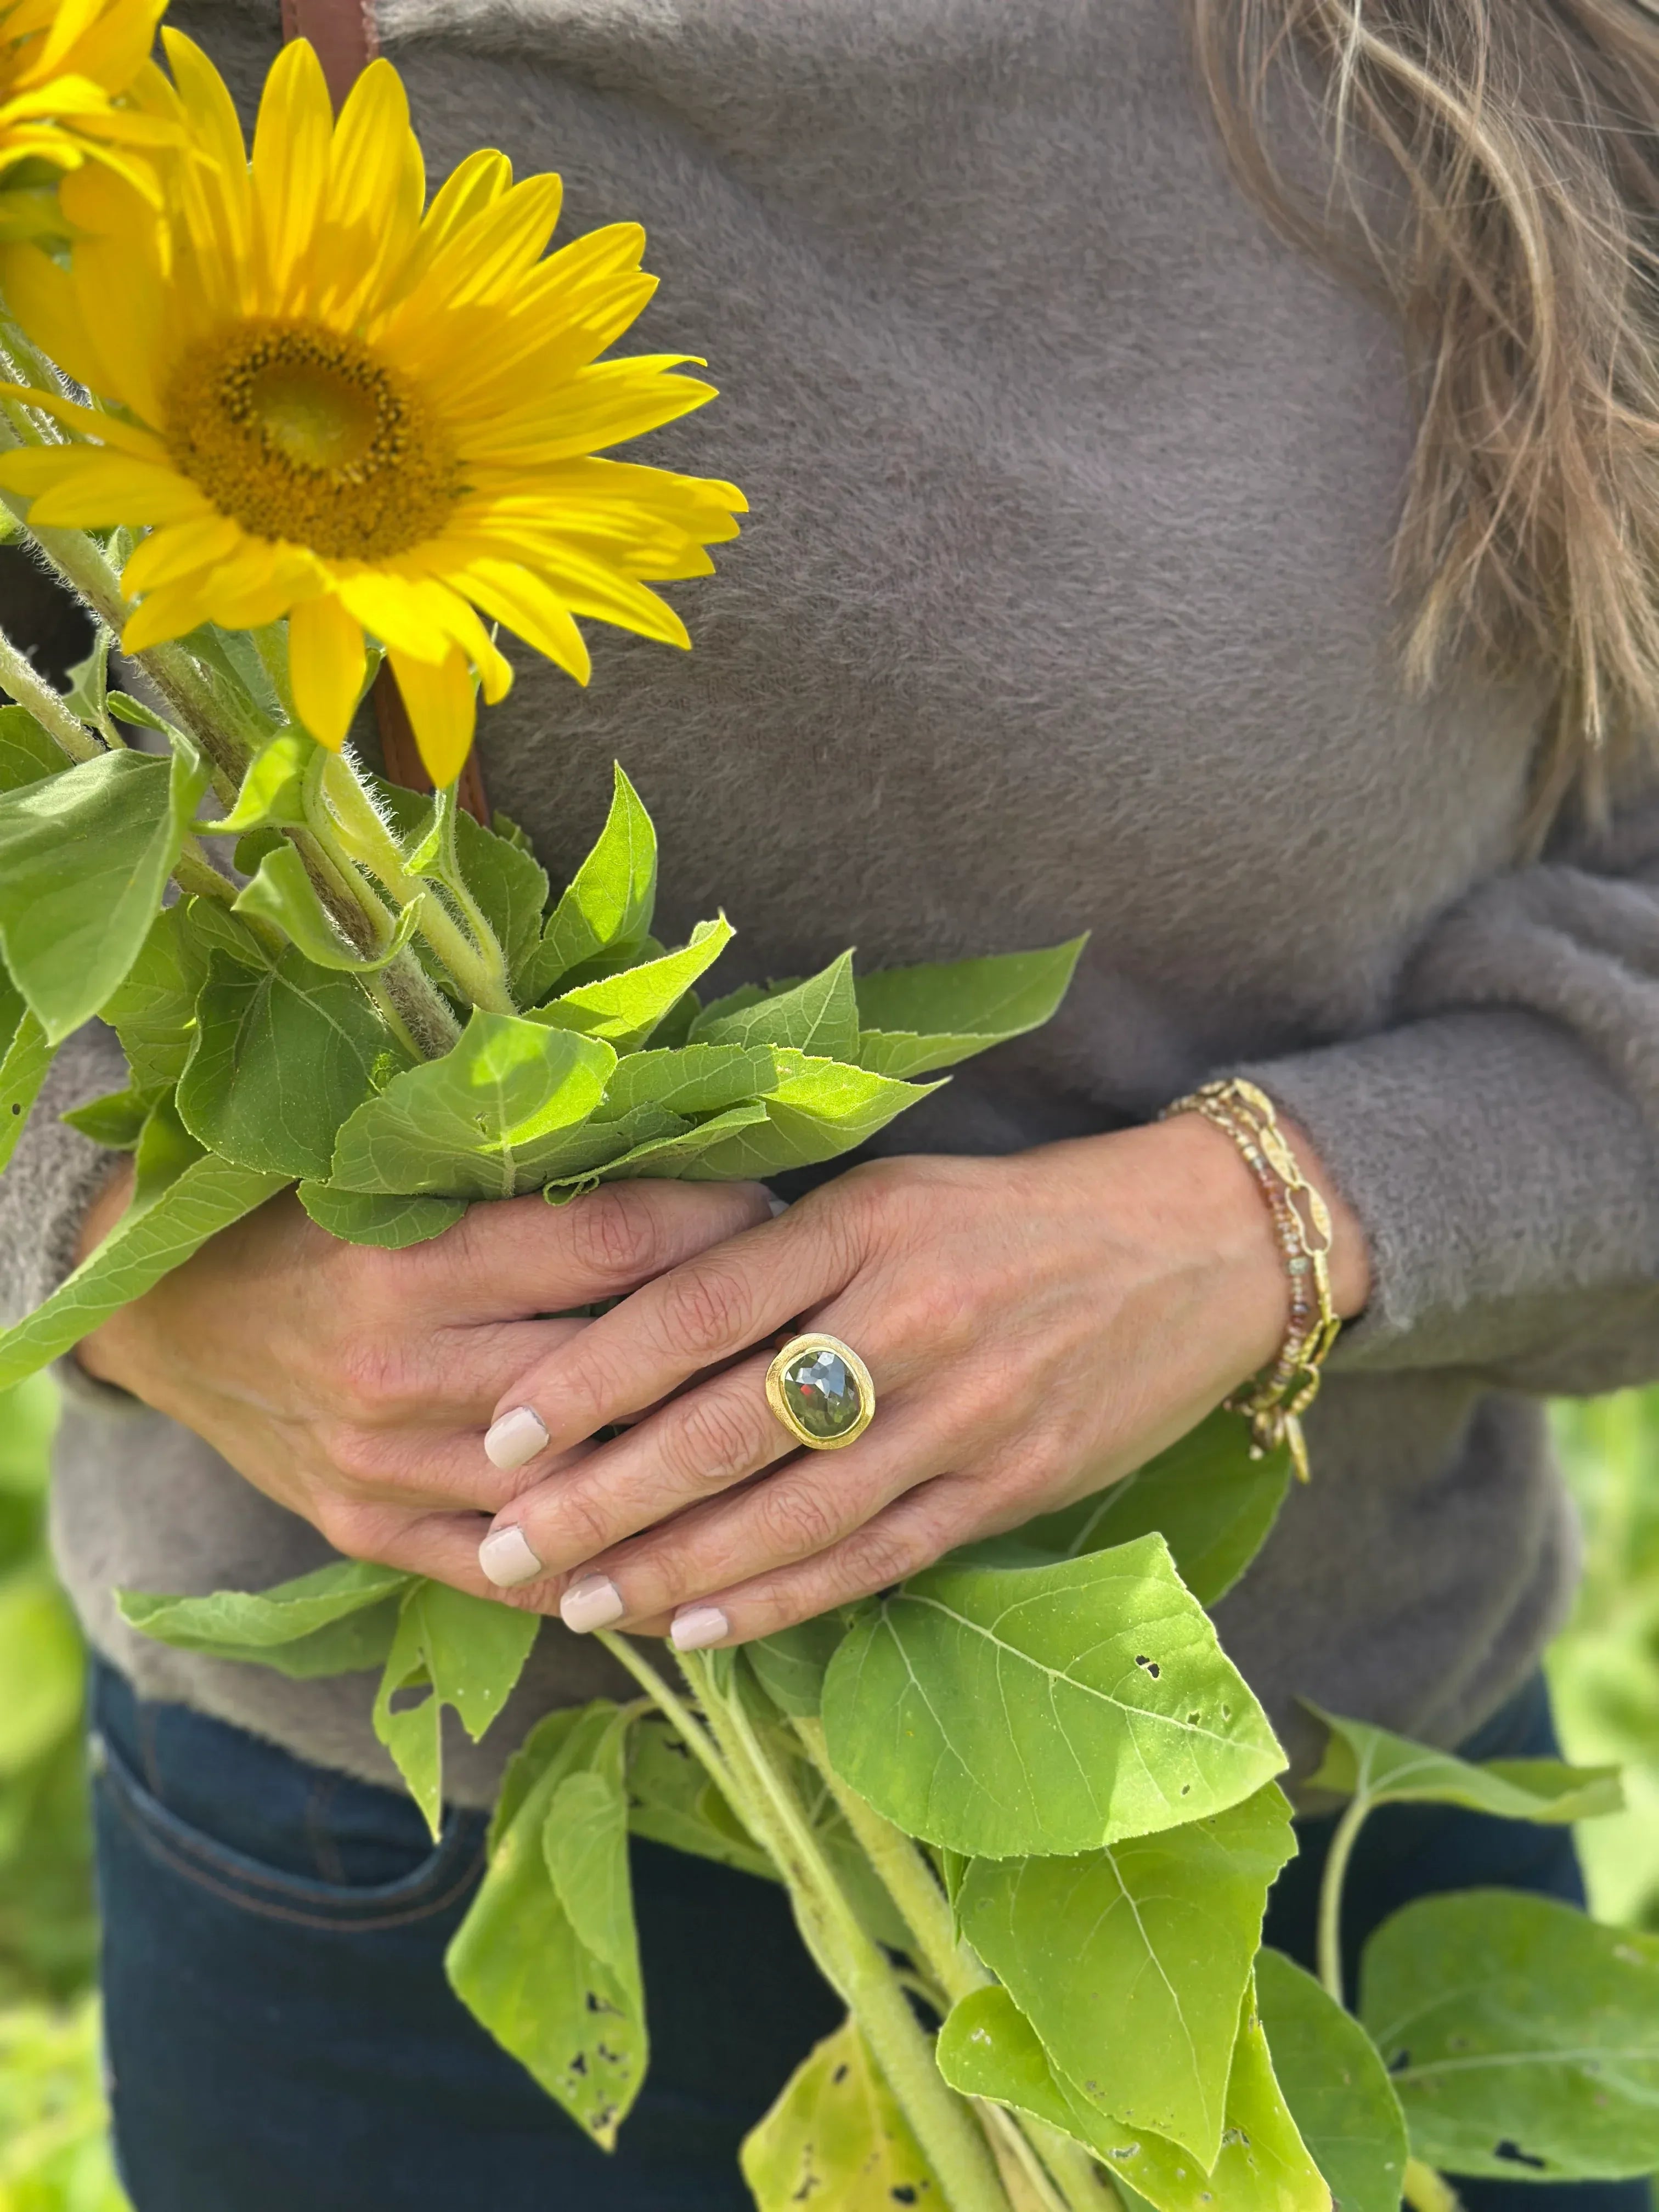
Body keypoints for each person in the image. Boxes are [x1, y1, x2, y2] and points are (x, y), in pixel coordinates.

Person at [7, 0, 1659, 2204]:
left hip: (1316, 1823)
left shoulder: (1511, 54)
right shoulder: (111, 67)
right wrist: (137, 1268)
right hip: (405, 1922)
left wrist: (1276, 1218)